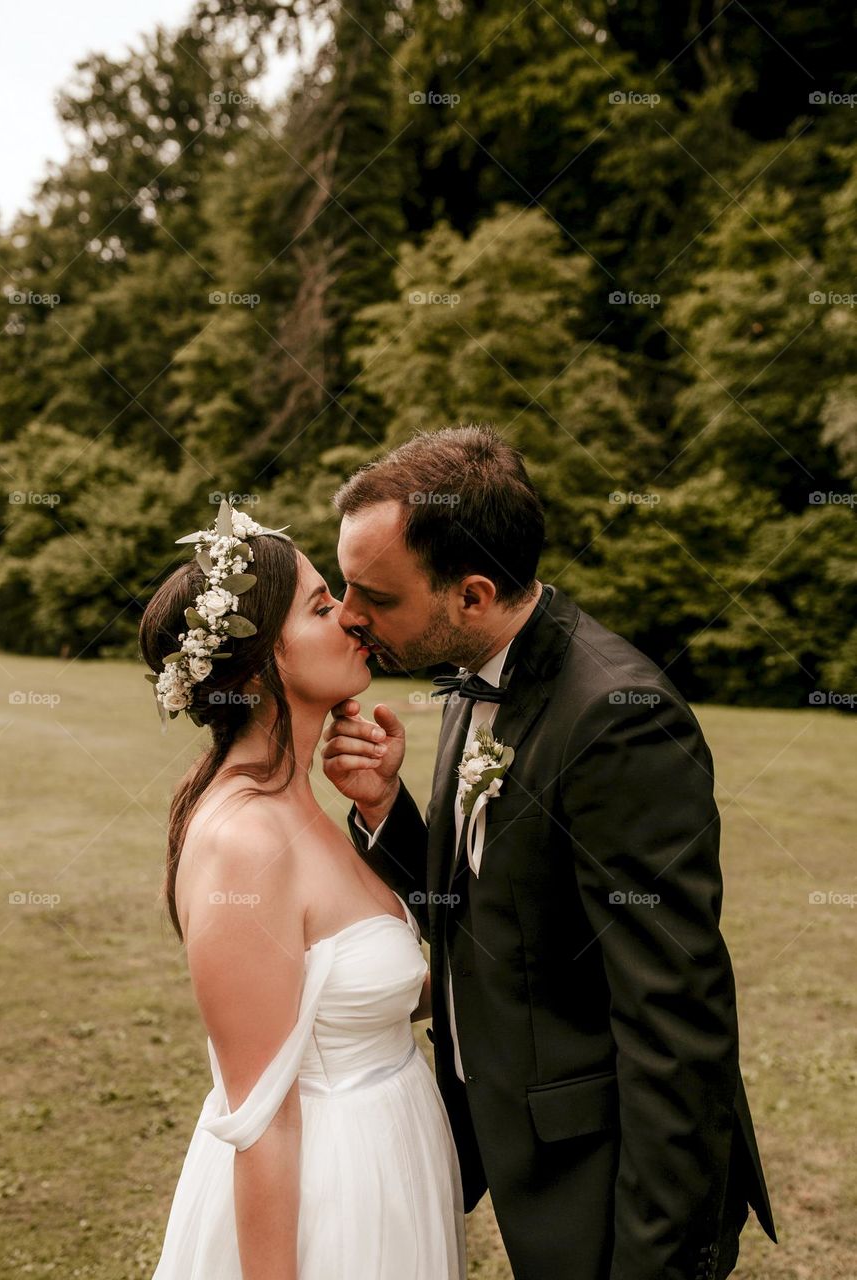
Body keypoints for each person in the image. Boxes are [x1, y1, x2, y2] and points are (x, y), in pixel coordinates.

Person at [322, 425, 777, 1280]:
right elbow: (493, 906)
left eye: (372, 594)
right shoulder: (476, 672)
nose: (348, 615)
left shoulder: (620, 717)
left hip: (605, 1178)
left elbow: (676, 1020)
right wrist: (386, 808)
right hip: (516, 1139)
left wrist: (652, 1260)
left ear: (472, 594)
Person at [140, 500, 466, 1279]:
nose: (355, 619)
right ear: (261, 661)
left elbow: (373, 991)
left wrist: (382, 807)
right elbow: (261, 1125)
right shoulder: (243, 843)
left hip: (394, 1165)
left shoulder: (304, 803)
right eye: (323, 606)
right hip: (331, 1199)